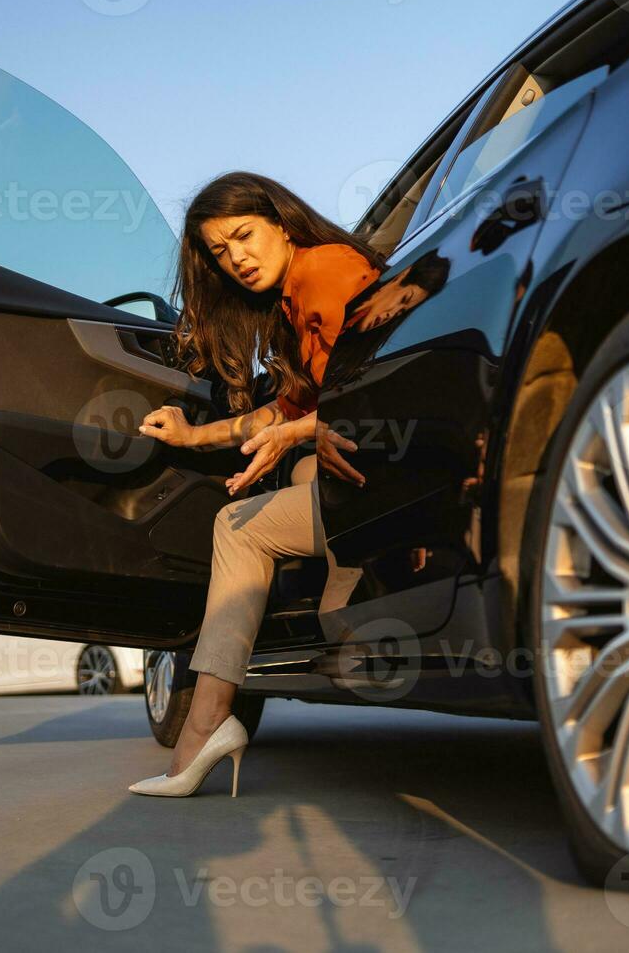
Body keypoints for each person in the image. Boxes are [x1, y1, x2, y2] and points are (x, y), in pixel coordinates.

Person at [126, 172, 382, 797]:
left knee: (237, 525)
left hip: (391, 467)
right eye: (220, 251)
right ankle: (350, 565)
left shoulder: (325, 272)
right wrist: (192, 436)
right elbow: (282, 414)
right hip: (362, 465)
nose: (236, 258)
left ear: (282, 223)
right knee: (291, 468)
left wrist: (300, 433)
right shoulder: (293, 304)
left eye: (243, 235)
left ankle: (208, 725)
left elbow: (388, 387)